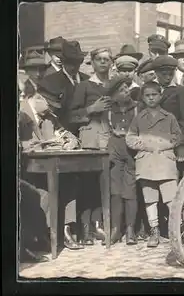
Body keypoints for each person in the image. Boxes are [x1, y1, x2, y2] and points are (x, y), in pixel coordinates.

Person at [19, 80, 82, 250]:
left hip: (50, 166)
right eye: (51, 105)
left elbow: (66, 133)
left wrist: (70, 141)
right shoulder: (22, 114)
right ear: (37, 97)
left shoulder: (49, 115)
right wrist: (47, 144)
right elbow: (22, 145)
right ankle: (42, 235)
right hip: (28, 169)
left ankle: (66, 229)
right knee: (44, 190)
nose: (54, 110)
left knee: (71, 181)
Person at [126, 81, 183, 248]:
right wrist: (142, 144)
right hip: (146, 161)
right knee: (150, 199)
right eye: (147, 96)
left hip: (165, 160)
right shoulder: (139, 118)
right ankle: (154, 230)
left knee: (171, 199)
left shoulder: (169, 117)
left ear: (160, 96)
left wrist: (165, 144)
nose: (151, 98)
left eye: (154, 95)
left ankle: (176, 230)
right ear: (143, 98)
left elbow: (178, 136)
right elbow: (129, 137)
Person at [69, 47, 114, 245]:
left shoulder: (115, 85)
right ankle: (86, 229)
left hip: (112, 141)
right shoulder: (84, 86)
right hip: (90, 141)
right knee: (88, 184)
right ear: (93, 63)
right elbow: (71, 116)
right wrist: (91, 109)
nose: (104, 62)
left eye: (107, 59)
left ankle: (99, 225)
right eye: (100, 59)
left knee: (107, 184)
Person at [105, 74, 139, 245]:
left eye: (127, 88)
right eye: (121, 90)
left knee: (130, 191)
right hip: (115, 151)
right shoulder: (110, 110)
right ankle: (115, 229)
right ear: (113, 95)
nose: (126, 92)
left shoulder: (137, 108)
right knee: (115, 191)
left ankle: (130, 229)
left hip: (132, 152)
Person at [39, 40, 91, 136]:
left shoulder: (88, 80)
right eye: (70, 62)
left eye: (77, 62)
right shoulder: (49, 82)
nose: (74, 67)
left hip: (88, 135)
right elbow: (52, 115)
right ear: (63, 61)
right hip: (63, 135)